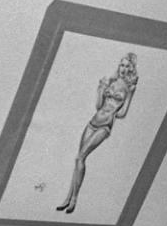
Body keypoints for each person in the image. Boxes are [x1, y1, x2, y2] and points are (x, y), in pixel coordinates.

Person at [57, 52, 138, 214]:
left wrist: (129, 96)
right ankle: (67, 197)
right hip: (93, 122)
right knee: (78, 158)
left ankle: (74, 199)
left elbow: (121, 114)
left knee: (81, 157)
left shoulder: (129, 88)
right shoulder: (111, 81)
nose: (123, 68)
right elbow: (99, 105)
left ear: (131, 69)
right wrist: (101, 89)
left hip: (105, 126)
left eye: (127, 66)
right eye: (121, 65)